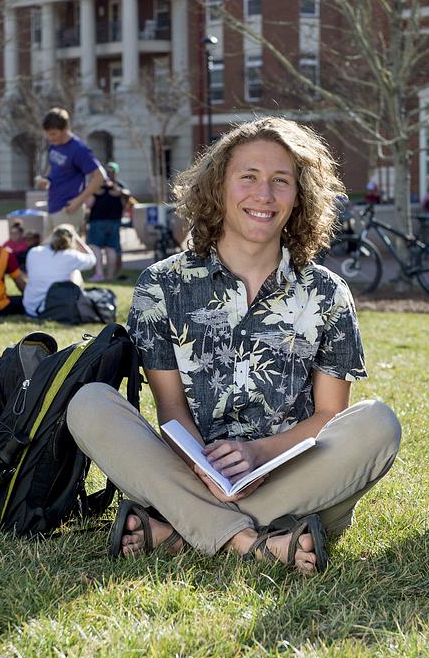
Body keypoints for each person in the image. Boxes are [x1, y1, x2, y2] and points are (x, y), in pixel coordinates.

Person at [65, 117, 401, 575]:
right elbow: (171, 411)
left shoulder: (327, 293)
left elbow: (329, 416)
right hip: (192, 472)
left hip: (294, 480)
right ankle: (253, 542)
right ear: (218, 187)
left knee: (378, 423)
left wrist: (261, 454)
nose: (264, 195)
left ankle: (180, 530)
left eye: (281, 181)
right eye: (249, 177)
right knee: (88, 404)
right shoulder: (161, 285)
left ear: (299, 197)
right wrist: (206, 469)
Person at [35, 107, 104, 235]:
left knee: (64, 247)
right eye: (48, 134)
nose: (50, 138)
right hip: (53, 206)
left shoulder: (79, 149)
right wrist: (47, 181)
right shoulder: (54, 146)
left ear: (65, 129)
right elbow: (58, 170)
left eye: (53, 134)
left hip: (68, 209)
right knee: (47, 246)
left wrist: (79, 201)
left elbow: (100, 176)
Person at [21, 224, 95, 317]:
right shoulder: (72, 256)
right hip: (54, 309)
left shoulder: (33, 252)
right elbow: (92, 259)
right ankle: (78, 303)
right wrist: (77, 238)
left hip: (30, 309)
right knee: (76, 272)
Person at [87, 160, 129, 281]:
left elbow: (89, 203)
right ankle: (109, 276)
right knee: (111, 248)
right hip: (112, 221)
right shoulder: (117, 186)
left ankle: (100, 274)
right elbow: (127, 196)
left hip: (98, 220)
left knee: (96, 247)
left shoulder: (100, 185)